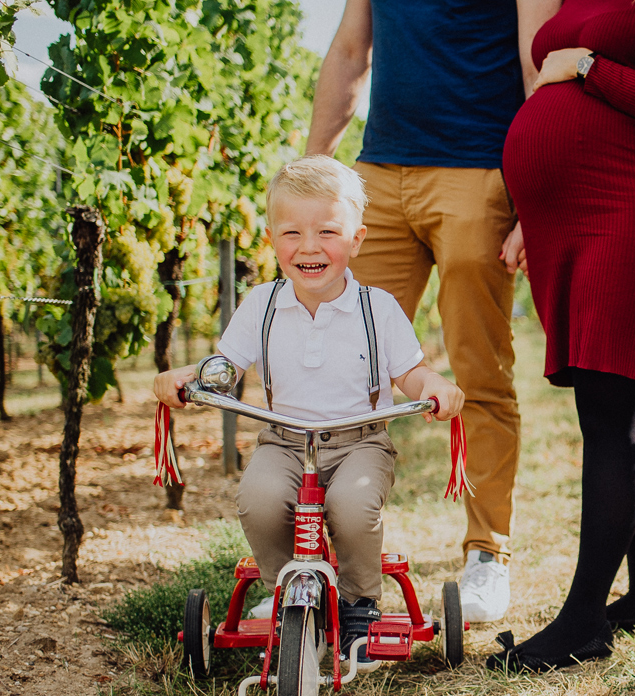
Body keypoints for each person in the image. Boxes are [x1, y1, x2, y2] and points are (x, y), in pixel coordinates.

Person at [305, 0, 561, 623]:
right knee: (338, 372)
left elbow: (537, 69)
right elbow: (347, 53)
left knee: (479, 373)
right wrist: (313, 177)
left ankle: (487, 555)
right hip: (378, 175)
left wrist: (533, 196)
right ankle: (320, 566)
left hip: (478, 172)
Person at [154, 156, 464, 662]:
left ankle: (360, 600)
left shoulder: (377, 308)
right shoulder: (262, 303)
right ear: (274, 240)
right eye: (292, 233)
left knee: (353, 505)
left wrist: (434, 386)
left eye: (327, 231)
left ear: (357, 240)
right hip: (284, 439)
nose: (310, 247)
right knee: (258, 498)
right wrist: (190, 377)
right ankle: (284, 593)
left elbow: (410, 373)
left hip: (358, 440)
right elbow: (225, 366)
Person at [487, 0, 635, 672]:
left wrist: (588, 65)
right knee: (627, 411)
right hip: (572, 220)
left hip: (628, 208)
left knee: (610, 413)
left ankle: (584, 619)